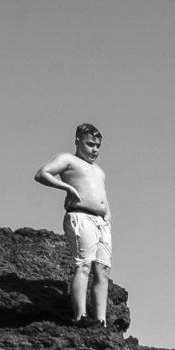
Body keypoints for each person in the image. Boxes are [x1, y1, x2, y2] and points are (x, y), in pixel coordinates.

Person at [34, 123, 113, 327]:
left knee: (102, 270)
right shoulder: (68, 159)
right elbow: (43, 173)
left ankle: (101, 321)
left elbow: (101, 193)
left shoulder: (99, 170)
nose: (94, 150)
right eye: (90, 144)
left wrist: (107, 214)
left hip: (101, 221)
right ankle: (80, 316)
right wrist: (67, 187)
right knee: (84, 265)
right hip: (80, 216)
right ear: (78, 141)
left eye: (97, 146)